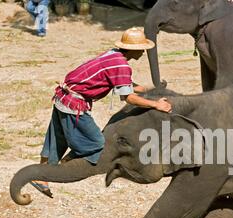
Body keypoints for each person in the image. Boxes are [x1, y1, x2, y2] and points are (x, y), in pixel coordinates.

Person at [31, 27, 172, 198]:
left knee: (57, 138)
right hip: (75, 103)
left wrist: (149, 89)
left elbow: (123, 82)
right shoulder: (122, 65)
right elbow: (128, 97)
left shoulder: (113, 55)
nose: (143, 52)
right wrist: (155, 104)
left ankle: (39, 176)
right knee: (96, 142)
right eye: (142, 49)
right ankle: (67, 165)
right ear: (133, 50)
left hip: (64, 96)